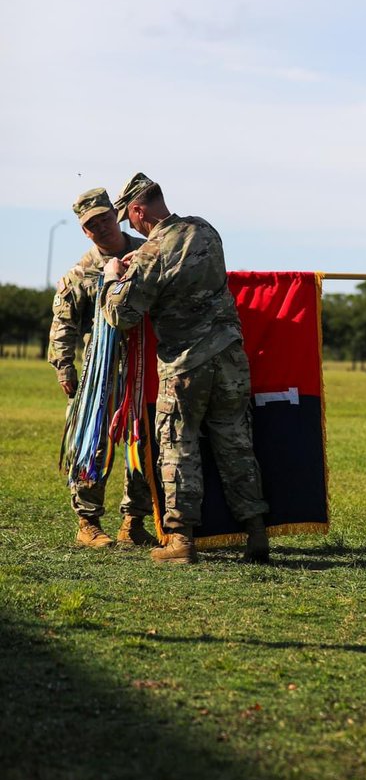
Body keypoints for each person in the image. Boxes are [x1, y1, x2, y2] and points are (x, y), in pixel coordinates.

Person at [101, 173, 269, 565]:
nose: (133, 226)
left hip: (186, 364)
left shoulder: (151, 251)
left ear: (139, 209)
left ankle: (180, 540)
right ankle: (256, 531)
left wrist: (112, 280)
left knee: (179, 446)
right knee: (236, 443)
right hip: (230, 357)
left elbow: (123, 314)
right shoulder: (206, 230)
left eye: (130, 218)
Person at [48, 187, 155, 549]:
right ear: (85, 231)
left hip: (148, 364)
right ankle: (88, 522)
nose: (102, 227)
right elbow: (64, 324)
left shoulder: (148, 252)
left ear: (116, 215)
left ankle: (134, 522)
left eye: (105, 218)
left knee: (144, 442)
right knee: (95, 440)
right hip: (101, 368)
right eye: (92, 225)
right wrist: (64, 366)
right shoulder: (81, 272)